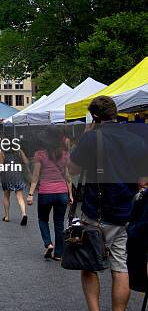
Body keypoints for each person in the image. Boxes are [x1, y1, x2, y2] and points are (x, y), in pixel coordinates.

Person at [68, 96, 147, 311]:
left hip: (95, 211)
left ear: (94, 117)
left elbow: (72, 169)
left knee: (89, 264)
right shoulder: (135, 139)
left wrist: (85, 135)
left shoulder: (91, 138)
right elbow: (142, 181)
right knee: (120, 266)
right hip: (125, 214)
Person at [26, 126, 72, 259]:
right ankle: (58, 254)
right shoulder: (65, 154)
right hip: (62, 192)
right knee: (59, 223)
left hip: (45, 192)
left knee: (43, 219)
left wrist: (30, 194)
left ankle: (48, 243)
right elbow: (68, 177)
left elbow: (35, 176)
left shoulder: (40, 154)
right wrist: (70, 194)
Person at [0, 142, 29, 225]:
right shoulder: (19, 151)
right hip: (17, 174)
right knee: (20, 197)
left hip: (7, 175)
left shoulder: (2, 152)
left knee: (6, 195)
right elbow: (26, 162)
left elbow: (0, 166)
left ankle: (7, 216)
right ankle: (24, 214)